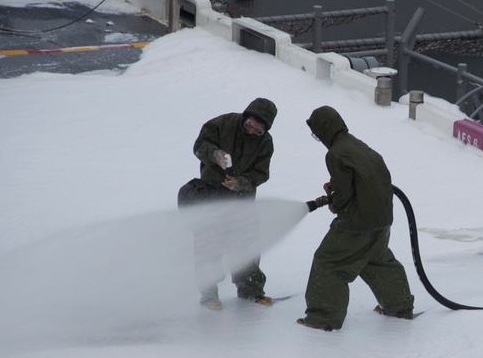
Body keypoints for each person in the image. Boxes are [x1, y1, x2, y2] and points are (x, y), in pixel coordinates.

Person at [297, 105, 415, 331]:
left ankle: (323, 319)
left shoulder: (335, 153)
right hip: (381, 219)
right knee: (375, 260)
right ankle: (399, 307)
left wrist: (336, 202)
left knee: (329, 262)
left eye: (316, 133)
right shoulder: (360, 146)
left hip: (357, 223)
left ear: (324, 130)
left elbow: (344, 193)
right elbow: (366, 179)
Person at [178, 97, 278, 310]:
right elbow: (199, 146)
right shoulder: (222, 124)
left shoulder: (265, 143)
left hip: (241, 201)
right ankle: (208, 295)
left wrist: (241, 183)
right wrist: (215, 154)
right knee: (209, 246)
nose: (252, 131)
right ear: (245, 116)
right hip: (211, 195)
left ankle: (251, 291)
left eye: (258, 130)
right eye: (250, 125)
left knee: (246, 246)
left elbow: (261, 173)